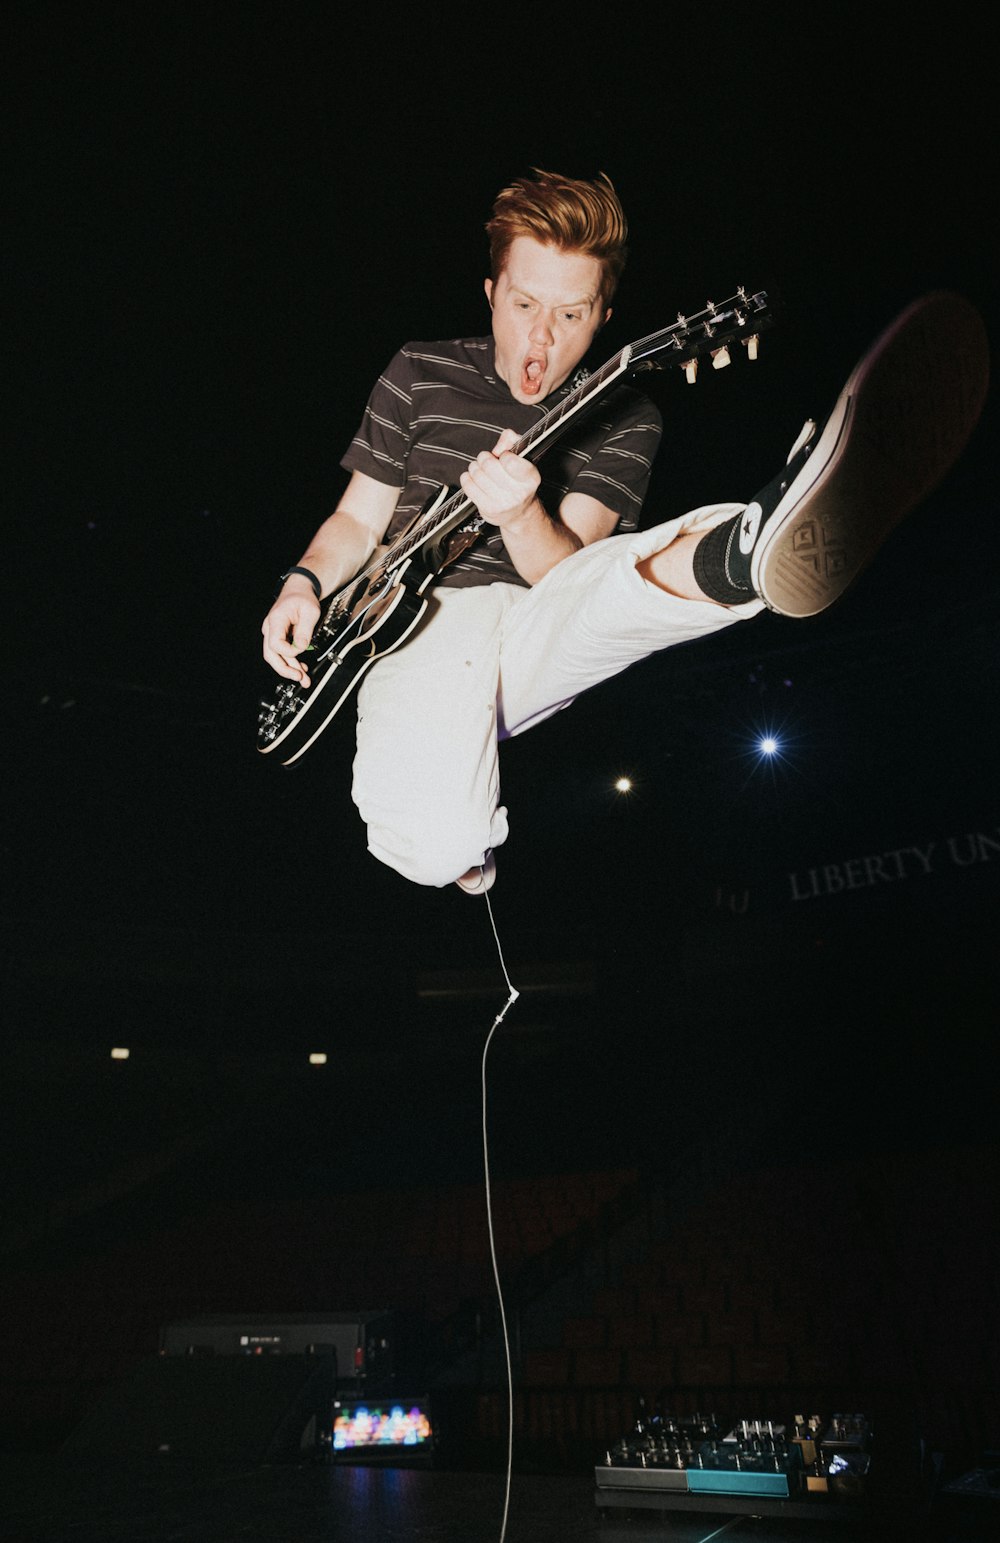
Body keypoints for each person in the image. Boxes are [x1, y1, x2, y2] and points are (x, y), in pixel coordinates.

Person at [261, 168, 988, 895]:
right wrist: (305, 582)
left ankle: (743, 548)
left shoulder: (626, 417)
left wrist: (519, 513)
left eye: (571, 315)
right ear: (491, 295)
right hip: (402, 626)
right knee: (432, 852)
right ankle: (465, 838)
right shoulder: (417, 371)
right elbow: (358, 517)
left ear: (605, 320)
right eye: (522, 304)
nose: (541, 336)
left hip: (533, 618)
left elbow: (567, 572)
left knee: (605, 591)